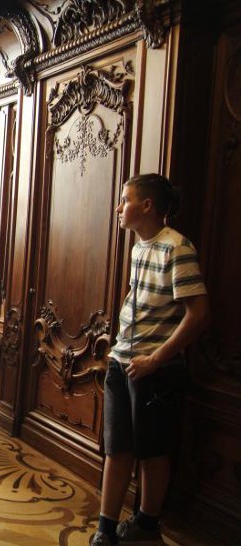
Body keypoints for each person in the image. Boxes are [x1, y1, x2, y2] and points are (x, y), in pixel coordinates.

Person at [89, 174, 209, 546]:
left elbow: (198, 314)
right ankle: (106, 529)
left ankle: (146, 525)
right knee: (117, 448)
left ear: (147, 206)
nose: (118, 208)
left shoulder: (177, 248)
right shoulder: (139, 247)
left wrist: (155, 359)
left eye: (125, 200)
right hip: (122, 360)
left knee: (152, 451)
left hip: (155, 370)